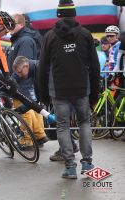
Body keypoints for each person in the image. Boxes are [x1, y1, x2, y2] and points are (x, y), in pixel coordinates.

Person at [0, 11, 56, 164]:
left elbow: (0, 56)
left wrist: (7, 78)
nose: (6, 33)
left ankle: (47, 115)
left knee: (15, 91)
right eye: (6, 30)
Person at [38, 0, 100, 179]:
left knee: (62, 126)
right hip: (82, 89)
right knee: (84, 123)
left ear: (58, 14)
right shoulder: (86, 35)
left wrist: (44, 95)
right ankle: (87, 163)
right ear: (74, 13)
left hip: (58, 90)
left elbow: (42, 68)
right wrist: (94, 93)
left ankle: (70, 167)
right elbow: (95, 66)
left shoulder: (49, 37)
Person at [11, 56, 49, 148]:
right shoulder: (34, 69)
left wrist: (10, 83)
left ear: (26, 66)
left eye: (20, 72)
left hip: (22, 87)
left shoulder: (34, 68)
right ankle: (39, 135)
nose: (19, 74)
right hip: (28, 85)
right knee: (33, 106)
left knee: (26, 111)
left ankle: (28, 140)